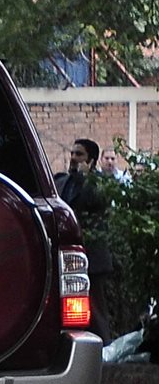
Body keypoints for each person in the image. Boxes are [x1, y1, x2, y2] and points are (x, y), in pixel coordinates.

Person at [54, 138, 114, 341]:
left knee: (96, 309)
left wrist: (86, 178)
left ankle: (104, 350)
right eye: (72, 153)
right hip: (67, 258)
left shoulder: (99, 183)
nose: (73, 158)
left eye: (79, 154)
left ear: (91, 160)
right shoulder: (62, 181)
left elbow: (99, 202)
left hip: (92, 258)